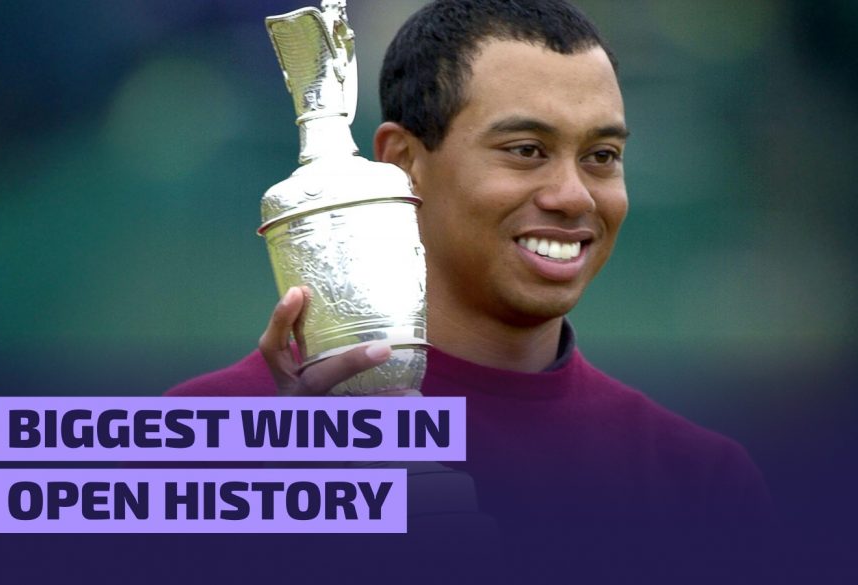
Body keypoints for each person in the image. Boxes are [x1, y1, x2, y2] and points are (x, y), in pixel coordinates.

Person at [169, 0, 774, 580]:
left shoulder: (699, 482)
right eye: (526, 151)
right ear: (403, 164)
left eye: (601, 155)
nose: (574, 196)